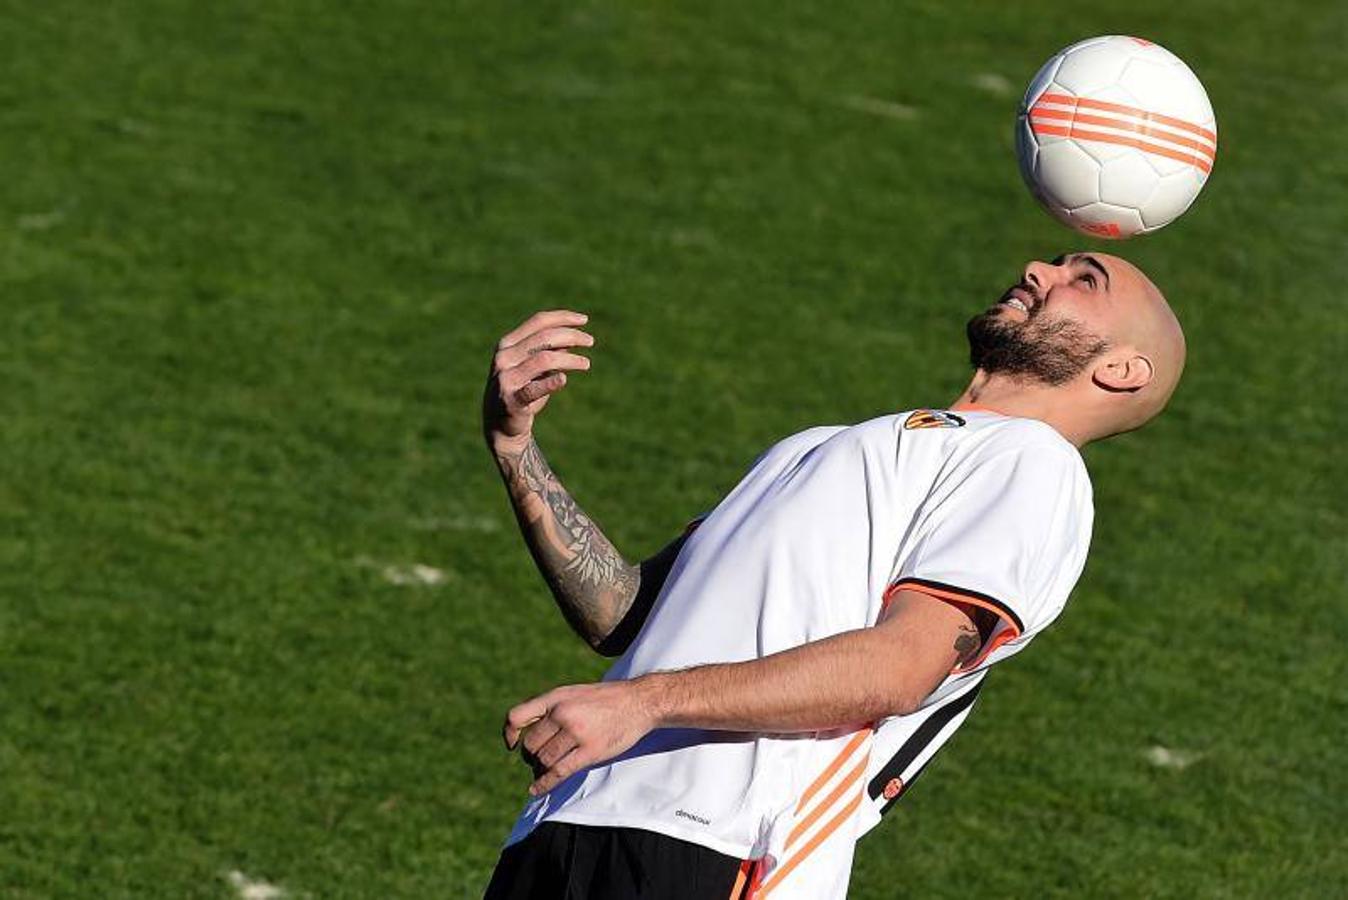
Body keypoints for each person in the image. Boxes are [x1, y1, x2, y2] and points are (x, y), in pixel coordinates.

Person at [480, 253, 1186, 899]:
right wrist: (516, 446)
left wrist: (642, 705)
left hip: (726, 845)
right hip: (572, 815)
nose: (1038, 269)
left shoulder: (1034, 463)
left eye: (1083, 279)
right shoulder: (822, 446)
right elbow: (628, 616)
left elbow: (900, 665)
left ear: (1122, 369)